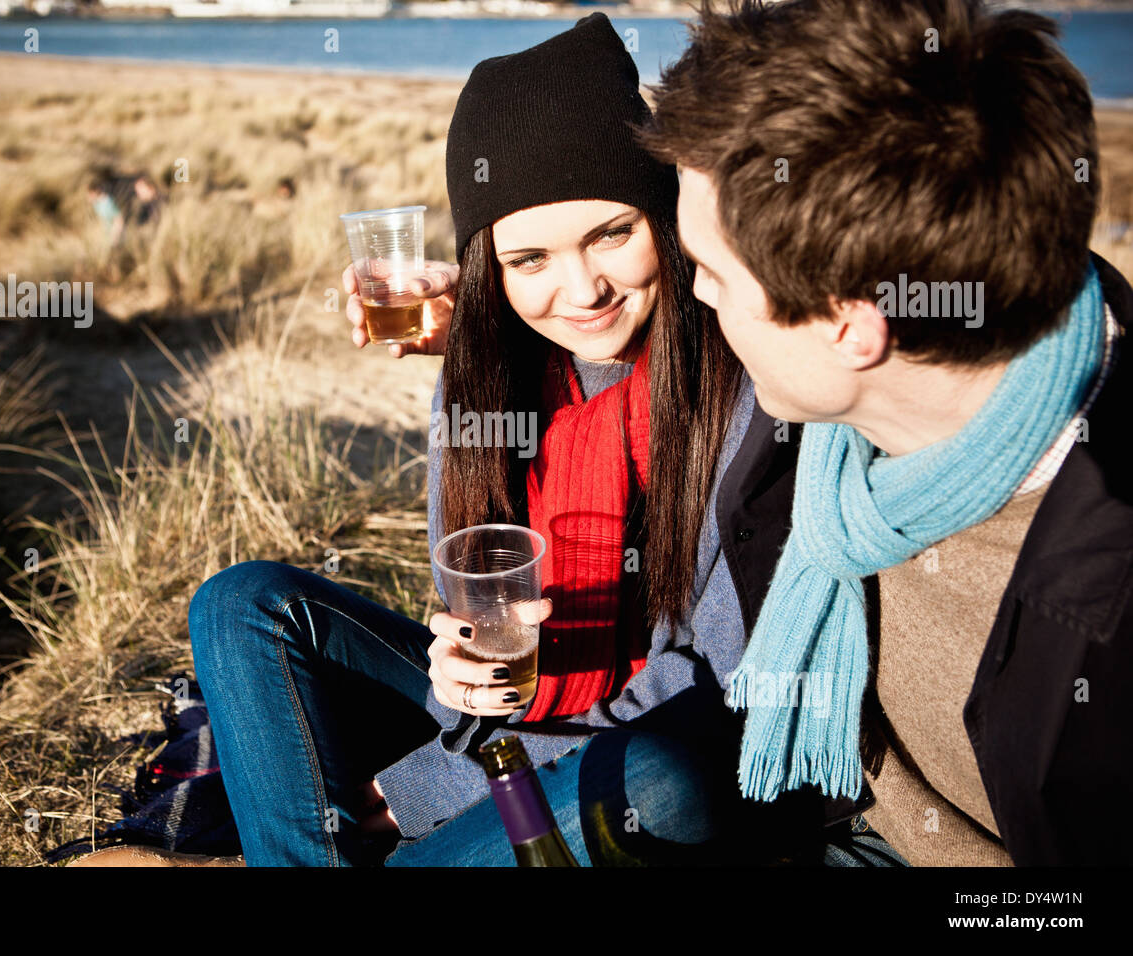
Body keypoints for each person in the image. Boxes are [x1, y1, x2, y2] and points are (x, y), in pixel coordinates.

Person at [184, 13, 828, 866]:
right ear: (490, 267)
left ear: (663, 219)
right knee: (245, 603)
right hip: (506, 719)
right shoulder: (485, 374)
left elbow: (714, 690)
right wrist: (453, 671)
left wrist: (424, 789)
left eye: (612, 234)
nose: (583, 289)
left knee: (662, 778)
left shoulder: (745, 376)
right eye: (529, 260)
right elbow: (470, 606)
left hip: (662, 736)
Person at [634, 0, 1132, 865]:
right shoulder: (841, 414)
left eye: (711, 272)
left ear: (849, 327)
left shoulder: (1108, 612)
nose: (697, 299)